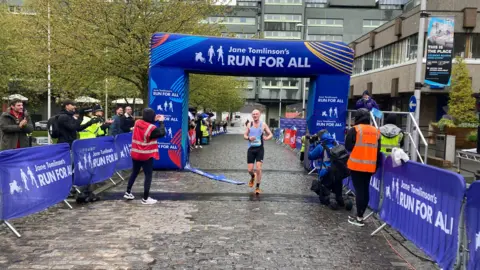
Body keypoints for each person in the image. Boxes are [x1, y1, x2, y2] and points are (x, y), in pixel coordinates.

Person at [345, 108, 381, 227]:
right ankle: (361, 215)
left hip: (356, 165)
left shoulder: (355, 129)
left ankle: (359, 218)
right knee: (365, 190)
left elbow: (348, 146)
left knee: (359, 191)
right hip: (370, 167)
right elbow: (378, 150)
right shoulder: (376, 131)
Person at [124, 108, 165, 205]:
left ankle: (128, 192)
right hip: (146, 155)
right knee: (148, 175)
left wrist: (155, 119)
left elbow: (146, 123)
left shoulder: (137, 122)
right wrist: (161, 122)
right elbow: (162, 132)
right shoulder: (151, 128)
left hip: (135, 153)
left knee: (134, 172)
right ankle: (145, 198)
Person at [308, 130, 350, 210]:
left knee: (323, 197)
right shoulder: (336, 144)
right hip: (338, 173)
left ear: (320, 137)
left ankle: (330, 199)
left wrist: (312, 144)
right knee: (338, 192)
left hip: (326, 173)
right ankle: (341, 200)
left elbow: (311, 156)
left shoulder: (321, 146)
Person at [244, 109, 273, 195]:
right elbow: (245, 135)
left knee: (258, 168)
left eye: (256, 114)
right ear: (252, 116)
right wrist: (249, 138)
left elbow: (270, 134)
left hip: (260, 149)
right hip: (251, 149)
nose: (255, 115)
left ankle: (257, 187)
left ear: (259, 115)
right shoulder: (249, 124)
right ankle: (253, 176)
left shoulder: (263, 124)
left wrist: (266, 138)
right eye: (253, 114)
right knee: (250, 170)